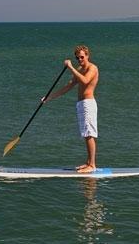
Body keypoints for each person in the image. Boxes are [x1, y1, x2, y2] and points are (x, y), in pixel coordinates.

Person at [42, 45, 99, 173]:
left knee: (89, 134)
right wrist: (49, 97)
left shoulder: (92, 68)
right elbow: (68, 86)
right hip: (81, 104)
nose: (80, 60)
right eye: (77, 58)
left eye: (82, 57)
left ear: (87, 56)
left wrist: (71, 67)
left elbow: (85, 81)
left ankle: (92, 165)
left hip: (88, 104)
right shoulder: (80, 69)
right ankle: (88, 162)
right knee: (85, 134)